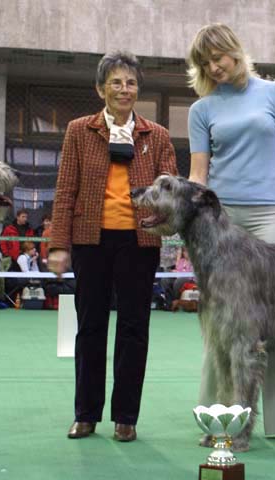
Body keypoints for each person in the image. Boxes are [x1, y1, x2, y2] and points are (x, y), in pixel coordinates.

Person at [186, 23, 275, 443]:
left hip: (269, 215)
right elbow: (198, 173)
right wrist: (195, 227)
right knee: (222, 323)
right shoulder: (202, 109)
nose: (214, 67)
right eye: (206, 62)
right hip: (220, 221)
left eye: (219, 58)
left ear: (235, 50)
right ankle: (219, 414)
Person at [48, 51, 178, 442]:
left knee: (135, 328)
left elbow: (170, 193)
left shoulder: (156, 136)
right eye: (117, 82)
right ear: (100, 88)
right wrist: (59, 245)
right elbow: (65, 189)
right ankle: (85, 414)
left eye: (131, 82)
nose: (125, 89)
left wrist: (167, 233)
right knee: (89, 328)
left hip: (140, 242)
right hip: (91, 240)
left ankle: (126, 418)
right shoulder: (78, 130)